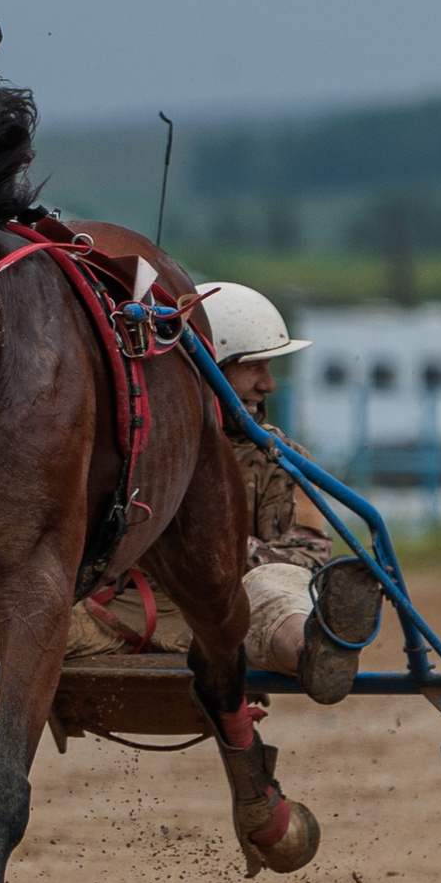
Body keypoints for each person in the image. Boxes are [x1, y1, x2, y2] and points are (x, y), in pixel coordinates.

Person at [67, 282, 382, 704]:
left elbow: (309, 553)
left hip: (225, 623)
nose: (268, 385)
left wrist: (226, 551)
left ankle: (316, 649)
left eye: (269, 368)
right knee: (16, 611)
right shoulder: (131, 448)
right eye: (253, 367)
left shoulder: (279, 458)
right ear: (207, 368)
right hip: (113, 613)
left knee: (277, 584)